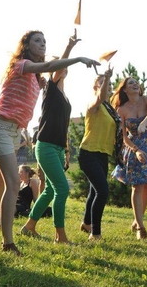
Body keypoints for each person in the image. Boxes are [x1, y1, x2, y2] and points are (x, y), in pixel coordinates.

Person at [0, 29, 99, 255]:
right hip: (0, 126)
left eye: (44, 41)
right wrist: (77, 57)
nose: (43, 44)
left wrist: (68, 47)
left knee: (3, 177)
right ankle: (7, 242)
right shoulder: (21, 64)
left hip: (15, 131)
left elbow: (55, 69)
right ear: (26, 45)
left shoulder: (38, 79)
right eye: (37, 41)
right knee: (12, 181)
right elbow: (52, 68)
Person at [20, 31, 93, 245]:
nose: (63, 68)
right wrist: (70, 47)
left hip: (58, 147)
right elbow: (59, 65)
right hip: (46, 145)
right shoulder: (51, 88)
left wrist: (67, 150)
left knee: (51, 189)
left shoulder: (64, 95)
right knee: (62, 189)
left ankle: (29, 226)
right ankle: (60, 236)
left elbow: (64, 126)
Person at [110, 76, 147, 240]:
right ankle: (141, 228)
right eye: (131, 83)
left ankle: (137, 220)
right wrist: (136, 150)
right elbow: (124, 137)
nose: (135, 84)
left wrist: (143, 124)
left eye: (136, 82)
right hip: (134, 147)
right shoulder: (121, 109)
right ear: (124, 90)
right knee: (137, 186)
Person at [77, 66, 122, 241]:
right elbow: (100, 97)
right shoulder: (93, 104)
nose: (107, 85)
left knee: (94, 191)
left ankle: (86, 223)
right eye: (102, 83)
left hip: (103, 154)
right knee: (102, 191)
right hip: (88, 152)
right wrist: (107, 77)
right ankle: (95, 233)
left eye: (109, 84)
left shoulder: (110, 109)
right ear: (95, 87)